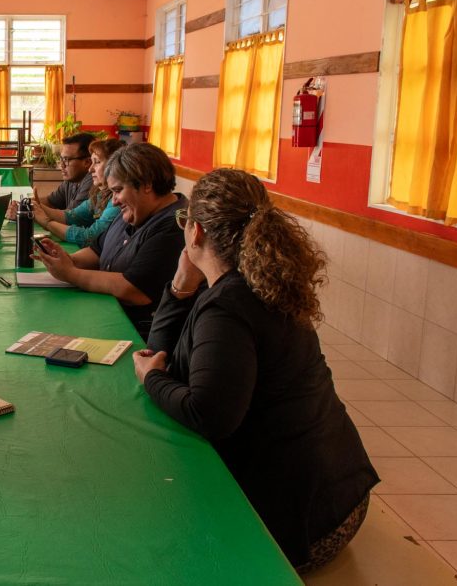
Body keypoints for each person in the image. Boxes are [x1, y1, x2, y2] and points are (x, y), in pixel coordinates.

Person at [133, 168, 378, 572]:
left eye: (184, 221)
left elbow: (208, 414)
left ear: (195, 232)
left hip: (310, 522)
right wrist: (180, 285)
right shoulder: (257, 282)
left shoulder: (230, 305)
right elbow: (163, 351)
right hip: (342, 491)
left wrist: (150, 379)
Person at [34, 143, 185, 339]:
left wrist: (71, 274)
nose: (113, 201)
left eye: (118, 190)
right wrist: (67, 259)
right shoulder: (135, 211)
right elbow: (97, 250)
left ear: (147, 184)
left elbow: (134, 290)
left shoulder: (174, 226)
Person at [32, 138, 124, 246]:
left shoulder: (116, 200)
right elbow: (71, 217)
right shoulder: (100, 194)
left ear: (114, 166)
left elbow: (89, 237)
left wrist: (47, 223)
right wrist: (35, 207)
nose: (90, 169)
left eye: (97, 162)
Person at [46, 132, 95, 210]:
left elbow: (69, 217)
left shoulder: (92, 181)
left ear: (87, 162)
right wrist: (27, 203)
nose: (61, 165)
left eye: (66, 159)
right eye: (61, 159)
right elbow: (50, 202)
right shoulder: (72, 178)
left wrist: (34, 208)